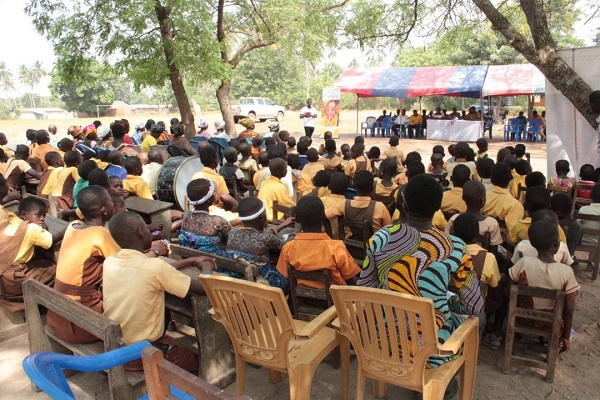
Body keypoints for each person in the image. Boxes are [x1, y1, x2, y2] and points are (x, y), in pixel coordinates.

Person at [357, 174, 483, 370]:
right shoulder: (455, 247)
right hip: (432, 350)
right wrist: (449, 303)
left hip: (384, 341)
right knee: (471, 319)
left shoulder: (380, 238)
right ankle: (440, 383)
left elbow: (365, 288)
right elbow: (473, 306)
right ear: (437, 209)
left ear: (404, 206)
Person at [104, 211, 215, 372]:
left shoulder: (110, 262)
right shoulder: (155, 269)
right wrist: (206, 266)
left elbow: (148, 268)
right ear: (141, 233)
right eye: (146, 228)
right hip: (141, 354)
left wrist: (189, 260)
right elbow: (206, 289)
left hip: (116, 346)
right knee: (193, 362)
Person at [47, 186, 121, 343]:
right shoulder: (100, 234)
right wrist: (153, 251)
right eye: (110, 201)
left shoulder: (72, 226)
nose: (113, 204)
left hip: (57, 316)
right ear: (104, 210)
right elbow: (126, 263)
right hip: (81, 323)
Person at [509, 220, 579, 354]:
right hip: (552, 322)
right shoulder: (566, 271)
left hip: (523, 318)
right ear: (556, 243)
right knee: (572, 294)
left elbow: (510, 288)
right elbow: (570, 308)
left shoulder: (524, 263)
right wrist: (565, 337)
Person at [276, 195, 360, 287]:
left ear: (297, 219)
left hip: (301, 300)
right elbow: (350, 279)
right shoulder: (337, 248)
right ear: (324, 217)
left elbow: (285, 277)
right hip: (335, 300)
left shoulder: (288, 249)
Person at [0, 195, 63, 312]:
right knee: (61, 272)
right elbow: (52, 240)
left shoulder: (14, 222)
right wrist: (69, 227)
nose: (43, 219)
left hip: (5, 272)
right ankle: (49, 308)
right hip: (12, 280)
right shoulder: (33, 229)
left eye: (44, 215)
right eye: (38, 215)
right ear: (24, 215)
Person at [452, 212, 503, 349]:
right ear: (477, 236)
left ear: (452, 232)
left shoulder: (444, 252)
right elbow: (495, 289)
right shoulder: (488, 258)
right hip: (472, 316)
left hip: (444, 309)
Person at [225, 197, 294, 292]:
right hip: (264, 285)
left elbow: (258, 237)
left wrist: (280, 226)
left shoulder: (232, 233)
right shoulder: (266, 239)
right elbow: (287, 248)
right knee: (290, 276)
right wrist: (296, 230)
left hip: (239, 280)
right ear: (263, 219)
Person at [325, 170, 392, 234]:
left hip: (351, 243)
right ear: (372, 188)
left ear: (354, 186)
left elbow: (325, 215)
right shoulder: (380, 207)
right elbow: (390, 230)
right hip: (375, 244)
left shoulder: (344, 204)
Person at [179, 179, 233, 255]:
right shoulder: (218, 221)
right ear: (210, 199)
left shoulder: (186, 216)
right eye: (213, 193)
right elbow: (233, 238)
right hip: (214, 264)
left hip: (188, 258)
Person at [446, 181, 503, 248]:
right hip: (483, 258)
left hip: (456, 257)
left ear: (463, 198)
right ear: (483, 200)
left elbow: (447, 241)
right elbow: (494, 250)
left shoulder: (454, 219)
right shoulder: (491, 224)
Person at [482, 163, 524, 232]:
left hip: (481, 239)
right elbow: (513, 234)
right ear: (509, 180)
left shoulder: (482, 197)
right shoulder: (515, 205)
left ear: (491, 180)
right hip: (504, 242)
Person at [257, 158, 295, 223]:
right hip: (273, 218)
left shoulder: (264, 182)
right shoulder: (280, 187)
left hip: (262, 215)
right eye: (286, 168)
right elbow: (290, 206)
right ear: (283, 171)